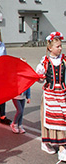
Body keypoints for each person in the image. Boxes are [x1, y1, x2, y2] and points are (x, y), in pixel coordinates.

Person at [36, 32, 66, 161]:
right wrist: (40, 77)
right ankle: (53, 145)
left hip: (61, 94)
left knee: (62, 119)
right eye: (58, 46)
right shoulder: (45, 62)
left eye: (61, 46)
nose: (60, 48)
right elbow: (39, 78)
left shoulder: (64, 60)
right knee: (50, 120)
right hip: (50, 95)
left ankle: (61, 147)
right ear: (50, 48)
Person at [11, 59, 31, 133]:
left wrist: (28, 97)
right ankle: (14, 124)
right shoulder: (15, 75)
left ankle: (20, 125)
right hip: (16, 96)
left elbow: (28, 86)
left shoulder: (26, 75)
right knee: (19, 111)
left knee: (21, 112)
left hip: (23, 96)